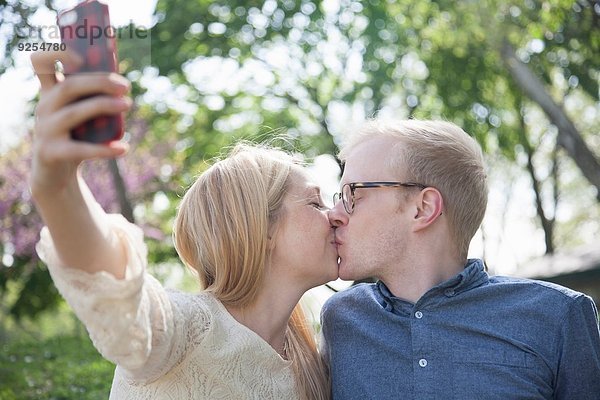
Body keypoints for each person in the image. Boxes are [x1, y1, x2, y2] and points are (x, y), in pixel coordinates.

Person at [29, 50, 337, 399]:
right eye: (315, 202)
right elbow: (121, 300)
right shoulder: (190, 328)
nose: (336, 215)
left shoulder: (312, 362)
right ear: (262, 229)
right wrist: (59, 188)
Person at [321, 118, 600, 399]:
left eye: (353, 194)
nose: (334, 213)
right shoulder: (340, 319)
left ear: (423, 208)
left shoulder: (559, 317)